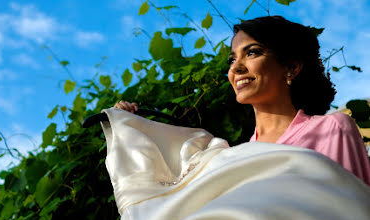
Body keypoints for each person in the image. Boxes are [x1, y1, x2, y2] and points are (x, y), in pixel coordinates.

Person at [115, 16, 370, 186]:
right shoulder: (234, 157)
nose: (236, 68)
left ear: (291, 67)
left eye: (252, 52)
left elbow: (358, 215)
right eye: (232, 59)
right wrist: (133, 128)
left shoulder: (332, 129)